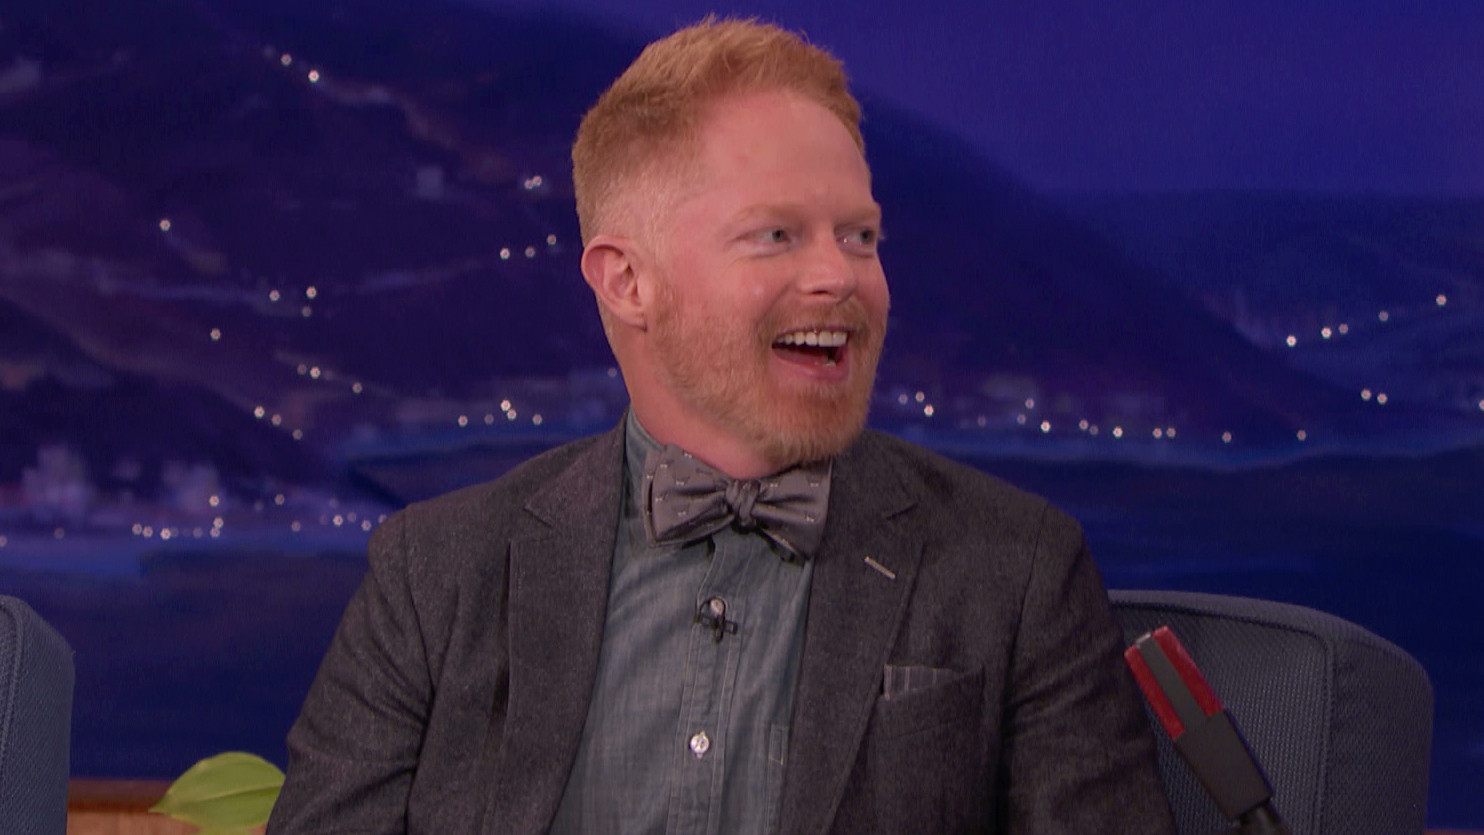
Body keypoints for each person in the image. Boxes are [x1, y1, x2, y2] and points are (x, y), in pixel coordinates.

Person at [267, 18, 1176, 835]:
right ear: (628, 281)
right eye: (776, 235)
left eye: (859, 236)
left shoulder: (1016, 569)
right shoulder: (434, 576)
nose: (840, 277)